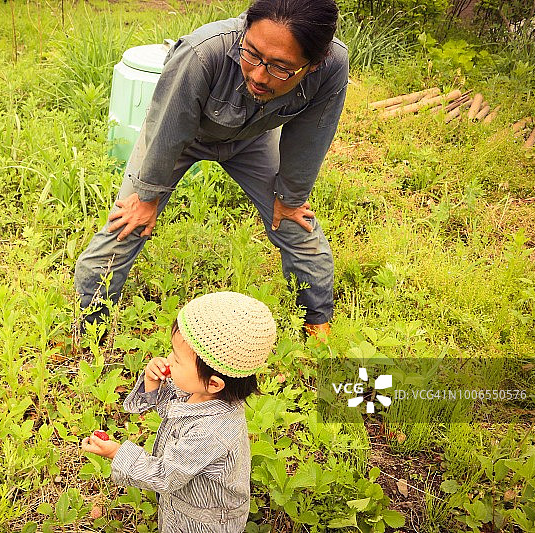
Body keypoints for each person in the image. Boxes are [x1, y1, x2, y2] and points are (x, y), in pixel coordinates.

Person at [74, 0, 347, 339]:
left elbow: (311, 136)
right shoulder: (203, 52)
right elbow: (167, 127)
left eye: (280, 68)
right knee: (128, 223)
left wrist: (290, 197)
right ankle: (87, 326)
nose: (259, 75)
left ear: (313, 64)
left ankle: (318, 325)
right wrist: (147, 196)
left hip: (252, 138)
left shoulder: (332, 65)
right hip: (181, 136)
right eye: (251, 54)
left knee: (295, 224)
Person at [81, 291, 277, 531]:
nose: (169, 361)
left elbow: (166, 475)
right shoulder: (201, 391)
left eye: (178, 360)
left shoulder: (212, 432)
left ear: (214, 383)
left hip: (203, 522)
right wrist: (153, 383)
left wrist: (116, 453)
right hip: (183, 504)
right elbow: (172, 408)